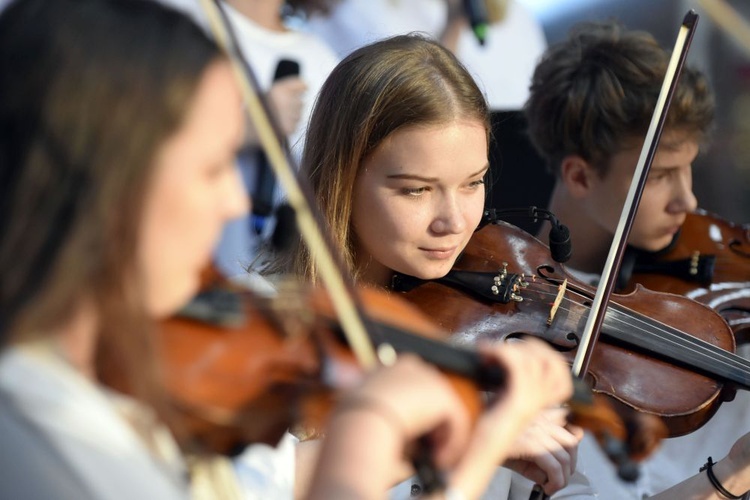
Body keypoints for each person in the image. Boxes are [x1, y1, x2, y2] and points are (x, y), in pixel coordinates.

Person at [0, 1, 574, 499]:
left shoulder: (87, 390)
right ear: (100, 180)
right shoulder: (37, 422)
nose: (233, 202)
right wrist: (453, 441)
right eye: (211, 167)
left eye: (473, 181)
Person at [276, 33, 590, 499]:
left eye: (473, 183)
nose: (455, 221)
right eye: (416, 190)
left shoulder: (492, 338)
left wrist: (728, 474)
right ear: (341, 178)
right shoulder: (269, 330)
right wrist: (472, 436)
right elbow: (246, 485)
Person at [524, 20, 750, 499]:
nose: (688, 201)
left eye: (688, 168)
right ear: (581, 177)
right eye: (661, 174)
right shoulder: (523, 337)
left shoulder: (720, 301)